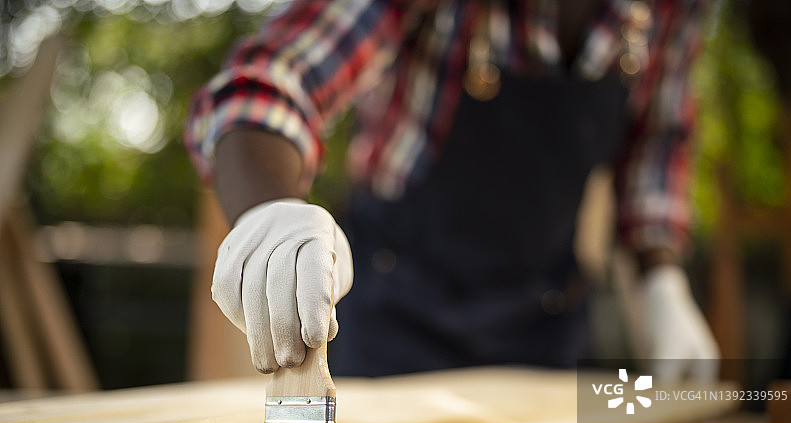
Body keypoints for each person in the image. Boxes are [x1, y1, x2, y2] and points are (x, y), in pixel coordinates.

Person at [185, 0, 719, 379]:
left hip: (546, 327)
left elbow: (658, 136)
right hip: (396, 316)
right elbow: (278, 77)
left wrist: (661, 281)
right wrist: (269, 210)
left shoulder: (671, 10)